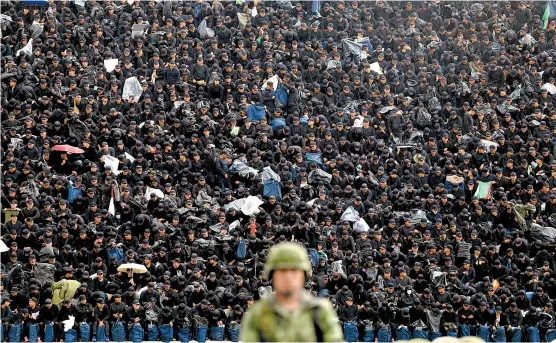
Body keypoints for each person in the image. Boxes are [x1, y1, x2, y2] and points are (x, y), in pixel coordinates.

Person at [240, 242, 343, 342]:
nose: (288, 277)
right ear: (272, 275)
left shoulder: (320, 312)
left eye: (294, 271)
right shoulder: (258, 314)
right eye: (282, 271)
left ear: (303, 275)